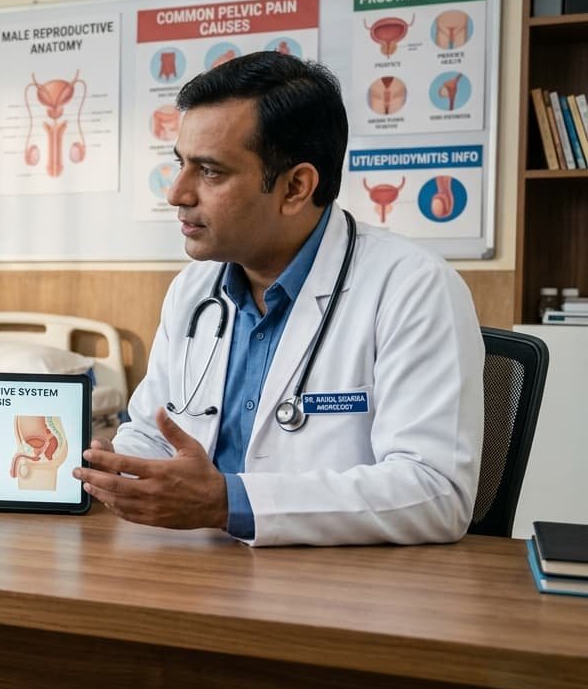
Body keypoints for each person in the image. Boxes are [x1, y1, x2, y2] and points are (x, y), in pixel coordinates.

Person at [75, 52, 483, 546]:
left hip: (338, 590)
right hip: (194, 570)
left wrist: (228, 503)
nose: (177, 193)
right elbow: (153, 432)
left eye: (210, 172)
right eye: (180, 164)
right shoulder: (194, 289)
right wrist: (107, 467)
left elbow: (436, 492)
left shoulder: (412, 287)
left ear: (295, 187)